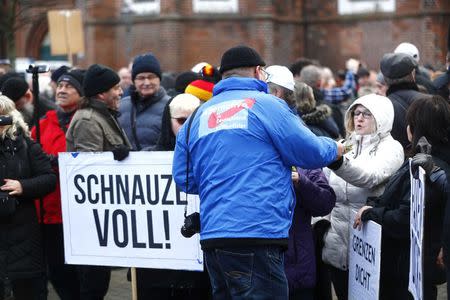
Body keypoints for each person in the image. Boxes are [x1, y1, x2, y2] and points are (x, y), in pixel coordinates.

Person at [173, 45, 344, 299]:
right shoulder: (266, 105)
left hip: (213, 240)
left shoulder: (198, 115)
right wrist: (337, 148)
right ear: (258, 72)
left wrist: (222, 180)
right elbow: (310, 152)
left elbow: (184, 178)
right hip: (257, 234)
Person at [355, 95, 450, 300]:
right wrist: (374, 204)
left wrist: (372, 213)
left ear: (415, 129)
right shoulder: (423, 162)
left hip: (409, 272)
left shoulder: (426, 169)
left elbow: (404, 219)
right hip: (409, 268)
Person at [322, 93, 404, 299]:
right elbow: (323, 180)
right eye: (356, 113)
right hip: (337, 246)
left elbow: (370, 177)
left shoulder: (391, 148)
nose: (359, 118)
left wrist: (338, 162)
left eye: (367, 114)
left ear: (381, 117)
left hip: (370, 247)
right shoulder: (345, 145)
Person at [136, 93, 212, 299]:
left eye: (193, 120)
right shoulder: (148, 159)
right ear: (167, 122)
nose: (187, 127)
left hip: (200, 266)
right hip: (158, 267)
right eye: (181, 121)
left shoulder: (214, 157)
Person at [66, 64, 131, 300]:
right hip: (93, 219)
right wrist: (111, 159)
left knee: (99, 282)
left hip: (103, 217)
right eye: (116, 88)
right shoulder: (88, 120)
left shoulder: (105, 115)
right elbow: (87, 171)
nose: (121, 92)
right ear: (101, 93)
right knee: (93, 285)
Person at [31, 69, 85, 299]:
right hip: (51, 213)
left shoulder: (88, 122)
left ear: (82, 93)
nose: (62, 90)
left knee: (84, 275)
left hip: (81, 213)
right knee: (59, 272)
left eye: (69, 86)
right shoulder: (41, 126)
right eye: (60, 86)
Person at [0, 95, 56, 300]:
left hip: (22, 232)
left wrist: (23, 186)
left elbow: (49, 178)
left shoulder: (25, 145)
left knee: (27, 290)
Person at [285, 168, 336, 300]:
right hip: (258, 266)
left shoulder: (305, 165)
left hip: (298, 268)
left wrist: (301, 182)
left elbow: (325, 203)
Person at [118, 53, 171, 150]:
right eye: (141, 78)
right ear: (134, 81)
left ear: (159, 79)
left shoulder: (171, 106)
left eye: (151, 77)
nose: (146, 83)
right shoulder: (122, 106)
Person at [380, 52, 428, 149]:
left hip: (394, 163)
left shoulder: (379, 107)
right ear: (413, 74)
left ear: (385, 80)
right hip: (430, 161)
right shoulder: (432, 102)